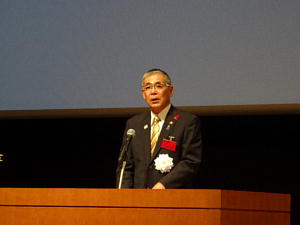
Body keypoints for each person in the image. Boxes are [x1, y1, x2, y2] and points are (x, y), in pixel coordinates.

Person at [116, 69, 202, 189]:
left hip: (172, 197)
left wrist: (164, 184)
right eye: (148, 87)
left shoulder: (186, 121)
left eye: (159, 86)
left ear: (170, 91)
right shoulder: (134, 124)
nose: (153, 92)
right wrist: (124, 198)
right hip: (138, 199)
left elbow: (190, 161)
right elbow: (126, 166)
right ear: (143, 94)